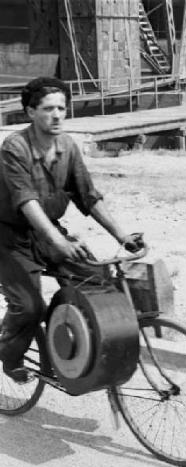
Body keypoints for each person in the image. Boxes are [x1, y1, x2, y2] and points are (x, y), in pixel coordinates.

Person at [0, 76, 142, 383]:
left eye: (62, 108)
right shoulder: (14, 148)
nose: (57, 115)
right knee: (28, 307)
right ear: (30, 112)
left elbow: (87, 196)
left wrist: (122, 236)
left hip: (46, 230)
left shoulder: (67, 145)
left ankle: (73, 345)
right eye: (48, 108)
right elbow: (27, 202)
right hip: (9, 238)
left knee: (95, 277)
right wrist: (59, 243)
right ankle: (9, 354)